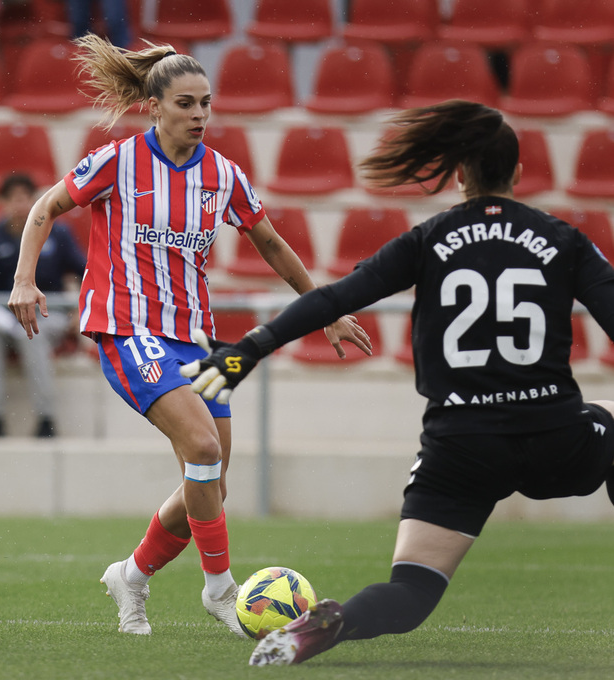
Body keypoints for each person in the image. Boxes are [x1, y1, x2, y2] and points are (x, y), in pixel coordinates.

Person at [183, 100, 614, 665]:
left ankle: (335, 621)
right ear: (518, 174)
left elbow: (334, 299)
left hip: (461, 446)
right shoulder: (563, 240)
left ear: (460, 173)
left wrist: (247, 351)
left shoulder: (430, 238)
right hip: (555, 436)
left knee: (410, 593)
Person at [7, 34, 371, 636]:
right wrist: (24, 279)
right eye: (186, 103)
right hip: (127, 330)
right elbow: (44, 208)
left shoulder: (223, 175)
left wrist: (326, 309)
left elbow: (273, 244)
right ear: (155, 106)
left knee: (211, 486)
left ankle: (131, 575)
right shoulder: (118, 162)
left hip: (194, 339)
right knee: (203, 450)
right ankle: (222, 591)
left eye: (206, 103)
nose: (199, 115)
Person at [0, 174, 87, 438]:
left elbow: (86, 270)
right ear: (2, 203)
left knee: (31, 332)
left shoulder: (57, 233)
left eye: (25, 198)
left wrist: (79, 309)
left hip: (49, 314)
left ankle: (46, 418)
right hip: (4, 317)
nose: (20, 205)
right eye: (13, 199)